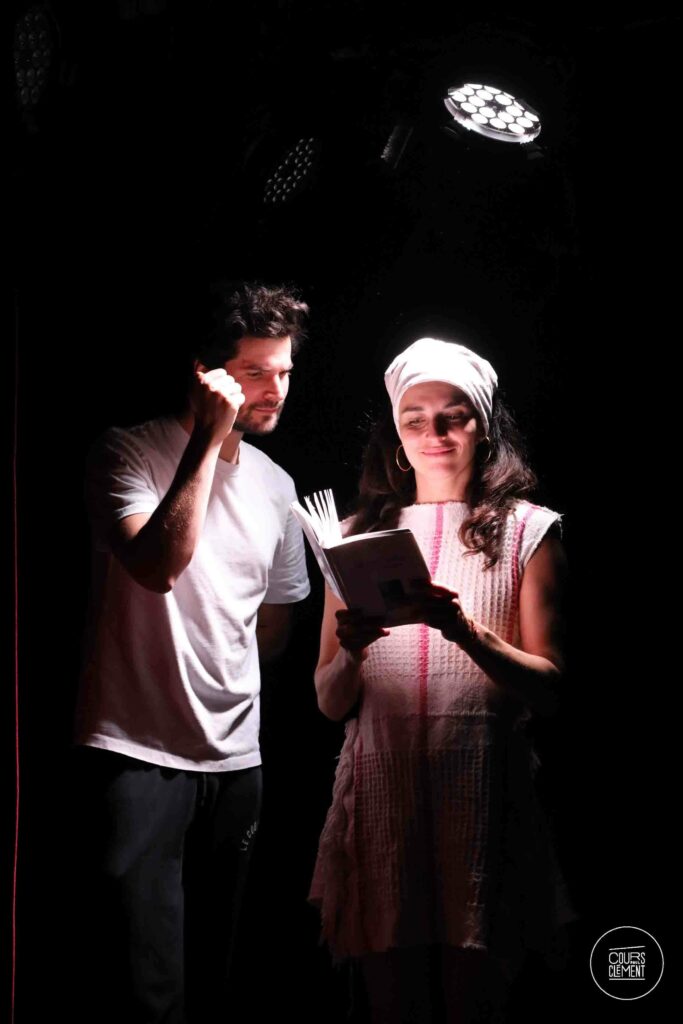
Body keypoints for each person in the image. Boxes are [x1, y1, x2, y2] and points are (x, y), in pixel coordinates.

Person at [308, 337, 575, 1023]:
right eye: (415, 418)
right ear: (397, 438)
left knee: (474, 995)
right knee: (392, 1004)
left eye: (452, 416)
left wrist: (464, 630)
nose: (434, 432)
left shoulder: (527, 531)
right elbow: (330, 702)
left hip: (482, 788)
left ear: (482, 427)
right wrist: (352, 653)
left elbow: (551, 688)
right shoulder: (352, 538)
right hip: (382, 792)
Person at [72, 282, 311, 1023]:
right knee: (145, 990)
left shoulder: (277, 486)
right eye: (255, 372)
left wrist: (224, 695)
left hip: (237, 764)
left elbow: (275, 623)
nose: (275, 389)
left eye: (285, 370)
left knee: (216, 979)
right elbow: (158, 566)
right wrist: (210, 438)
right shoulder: (127, 452)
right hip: (136, 753)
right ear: (206, 374)